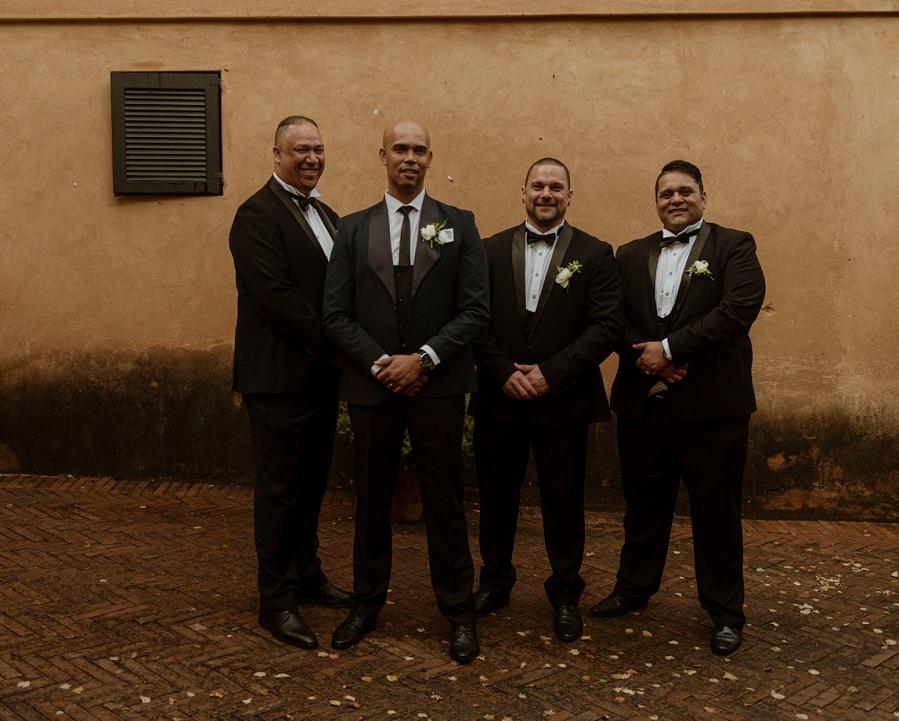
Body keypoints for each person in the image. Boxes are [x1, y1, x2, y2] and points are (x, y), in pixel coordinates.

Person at [322, 120, 489, 663]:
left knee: (445, 500)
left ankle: (459, 612)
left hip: (438, 387)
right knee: (371, 499)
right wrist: (381, 364)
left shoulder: (460, 224)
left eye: (419, 150)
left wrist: (423, 359)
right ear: (383, 156)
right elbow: (335, 314)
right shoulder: (352, 229)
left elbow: (475, 310)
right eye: (400, 148)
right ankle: (365, 605)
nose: (410, 157)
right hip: (373, 387)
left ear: (430, 158)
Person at [592, 160, 766, 656]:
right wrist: (649, 361)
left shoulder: (734, 246)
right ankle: (633, 588)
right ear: (656, 201)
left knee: (716, 514)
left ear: (703, 198)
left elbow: (738, 310)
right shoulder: (629, 254)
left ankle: (725, 612)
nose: (675, 199)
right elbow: (612, 318)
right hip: (644, 407)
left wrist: (668, 350)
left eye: (685, 191)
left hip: (713, 410)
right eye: (666, 193)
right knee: (643, 508)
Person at [470, 158, 622, 642]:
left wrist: (550, 375)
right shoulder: (488, 250)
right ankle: (495, 583)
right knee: (496, 498)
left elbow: (606, 326)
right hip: (500, 399)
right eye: (538, 185)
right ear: (523, 192)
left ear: (569, 196)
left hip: (564, 402)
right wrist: (501, 373)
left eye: (556, 187)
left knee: (564, 502)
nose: (546, 194)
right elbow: (473, 318)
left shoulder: (595, 253)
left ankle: (565, 594)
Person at [229, 116, 350, 650]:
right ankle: (275, 600)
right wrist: (340, 344)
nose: (312, 158)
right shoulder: (255, 215)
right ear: (276, 154)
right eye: (300, 149)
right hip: (277, 379)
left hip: (321, 377)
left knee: (313, 482)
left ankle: (307, 574)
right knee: (280, 491)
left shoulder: (327, 214)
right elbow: (277, 297)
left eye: (318, 149)